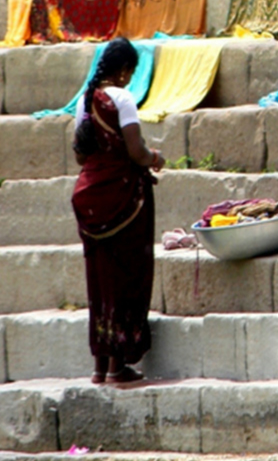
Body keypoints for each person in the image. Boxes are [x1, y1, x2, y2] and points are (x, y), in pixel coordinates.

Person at [72, 36, 164, 387]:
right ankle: (118, 366)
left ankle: (100, 369)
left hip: (89, 198)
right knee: (126, 278)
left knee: (99, 282)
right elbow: (136, 151)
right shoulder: (122, 98)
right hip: (122, 198)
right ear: (125, 71)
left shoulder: (85, 101)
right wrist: (156, 158)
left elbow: (81, 156)